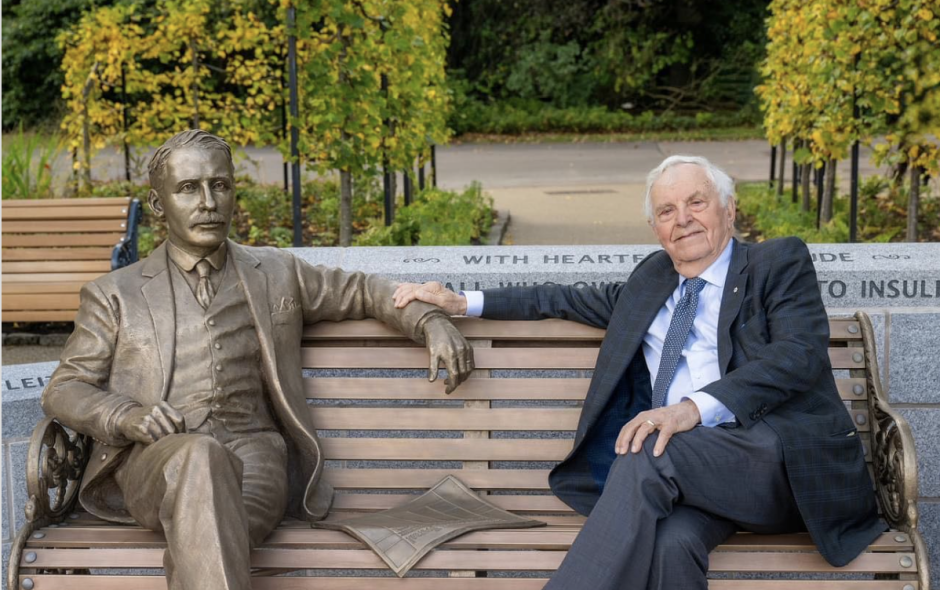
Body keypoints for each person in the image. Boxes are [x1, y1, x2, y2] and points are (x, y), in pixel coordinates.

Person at [392, 155, 883, 589]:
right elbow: (559, 297)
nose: (683, 220)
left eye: (697, 203)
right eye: (667, 211)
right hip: (692, 482)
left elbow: (798, 356)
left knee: (649, 445)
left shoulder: (777, 263)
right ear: (655, 229)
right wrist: (460, 301)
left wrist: (690, 410)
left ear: (728, 210)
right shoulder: (652, 281)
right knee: (671, 545)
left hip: (778, 471)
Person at [41, 129, 475, 590]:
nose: (208, 202)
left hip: (255, 455)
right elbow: (64, 389)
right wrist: (126, 416)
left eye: (220, 185)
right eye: (189, 188)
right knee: (199, 461)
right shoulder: (115, 295)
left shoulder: (276, 272)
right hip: (156, 462)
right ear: (157, 204)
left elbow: (365, 290)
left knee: (208, 529)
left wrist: (431, 321)